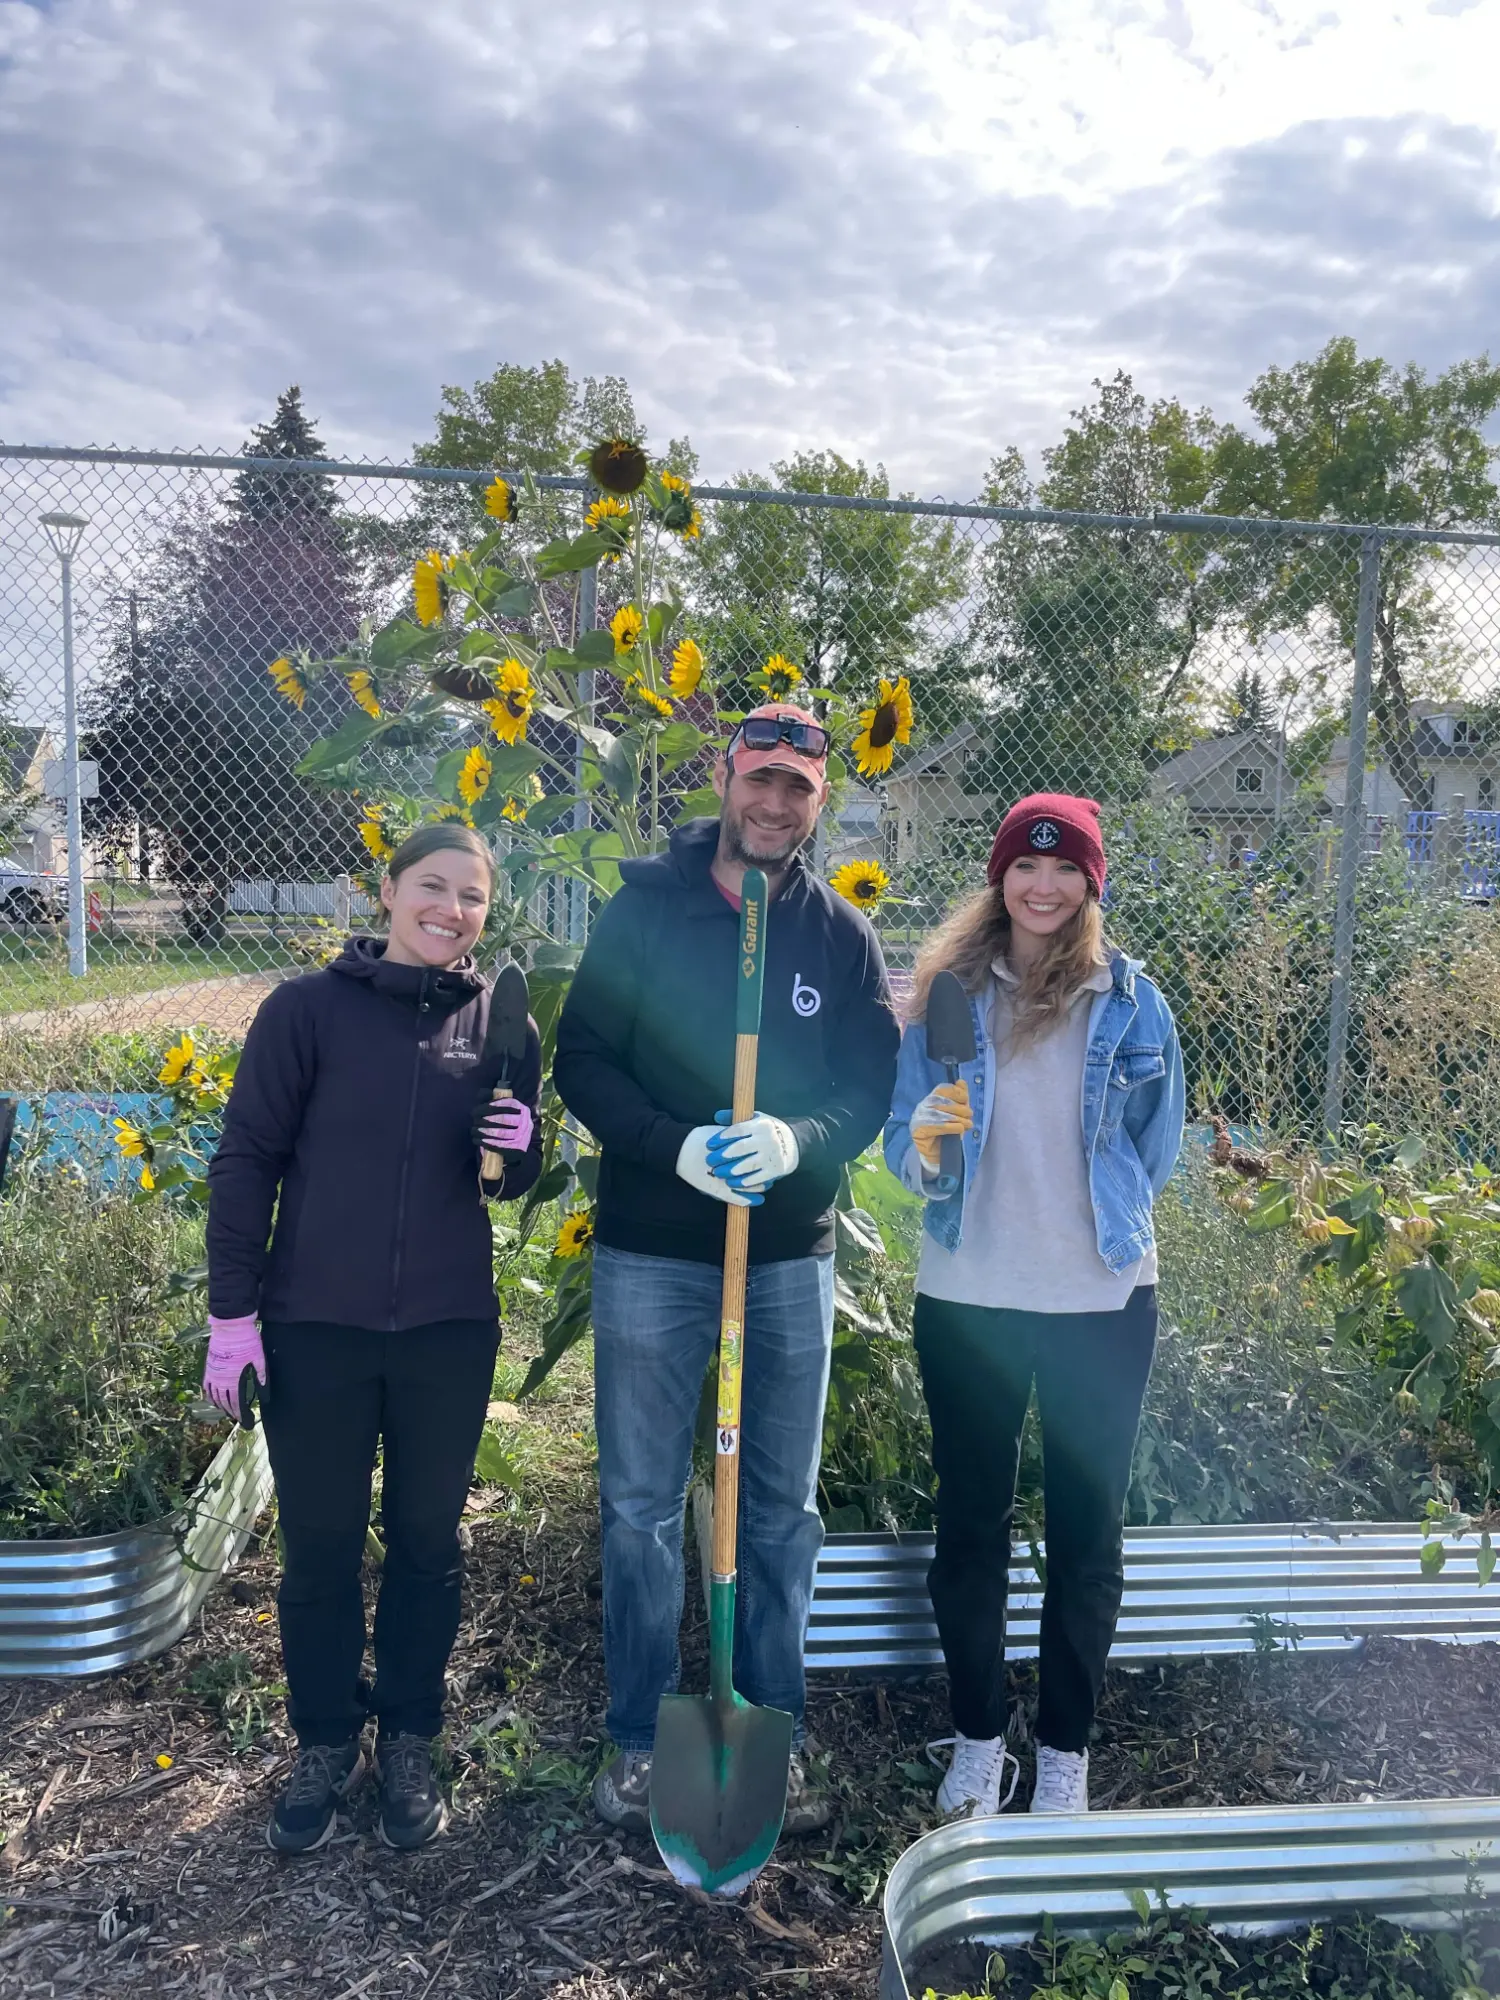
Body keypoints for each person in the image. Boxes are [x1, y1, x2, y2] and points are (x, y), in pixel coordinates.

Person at [554, 702, 900, 1836]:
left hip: (786, 1259)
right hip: (653, 1249)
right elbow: (584, 1060)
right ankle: (646, 1738)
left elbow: (868, 1085)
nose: (773, 804)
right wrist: (674, 1146)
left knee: (780, 1509)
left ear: (818, 798)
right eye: (758, 780)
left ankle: (768, 1727)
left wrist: (800, 1137)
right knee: (643, 1506)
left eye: (797, 788)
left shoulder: (840, 935)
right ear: (724, 775)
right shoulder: (644, 910)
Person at [203, 823, 542, 1855]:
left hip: (447, 1328)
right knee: (319, 1545)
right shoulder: (306, 1011)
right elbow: (246, 1158)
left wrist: (521, 1150)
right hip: (318, 1327)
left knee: (429, 1546)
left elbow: (511, 1171)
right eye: (432, 887)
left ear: (489, 910)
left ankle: (408, 1733)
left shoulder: (502, 1020)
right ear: (388, 892)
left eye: (472, 896)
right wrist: (232, 1311)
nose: (451, 909)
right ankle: (321, 1738)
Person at [884, 794, 1184, 1819]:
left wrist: (1086, 1232)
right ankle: (978, 1738)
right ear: (999, 876)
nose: (1043, 885)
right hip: (971, 1296)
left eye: (1064, 870)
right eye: (1025, 866)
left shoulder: (1132, 1001)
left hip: (1101, 1300)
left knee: (1086, 1532)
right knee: (970, 1526)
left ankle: (1063, 1754)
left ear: (1091, 882)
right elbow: (900, 1148)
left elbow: (1156, 1151)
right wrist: (924, 1135)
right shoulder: (949, 999)